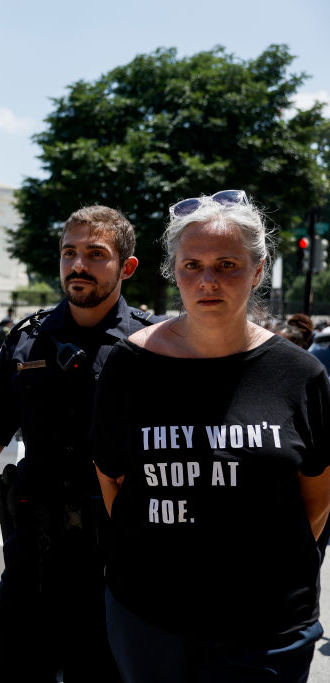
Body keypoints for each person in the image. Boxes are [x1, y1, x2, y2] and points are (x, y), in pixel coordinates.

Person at [93, 190, 330, 682]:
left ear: (258, 271)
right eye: (191, 265)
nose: (207, 281)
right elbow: (112, 481)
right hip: (151, 624)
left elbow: (318, 497)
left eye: (227, 265)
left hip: (268, 630)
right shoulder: (129, 366)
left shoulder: (300, 375)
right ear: (173, 270)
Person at [0, 205, 151, 683]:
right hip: (34, 556)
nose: (78, 265)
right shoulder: (25, 341)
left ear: (127, 267)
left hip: (118, 562)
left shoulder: (153, 345)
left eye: (96, 254)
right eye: (69, 253)